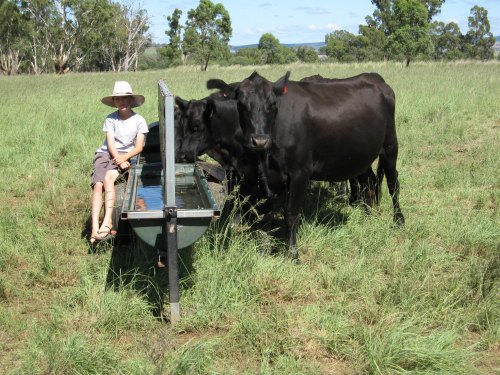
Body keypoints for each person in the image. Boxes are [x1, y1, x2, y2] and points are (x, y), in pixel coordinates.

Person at [90, 81, 149, 243]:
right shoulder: (111, 119)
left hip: (125, 153)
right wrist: (118, 158)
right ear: (114, 101)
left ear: (131, 100)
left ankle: (107, 221)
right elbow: (110, 143)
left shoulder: (139, 120)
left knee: (109, 178)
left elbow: (139, 147)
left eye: (125, 98)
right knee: (98, 185)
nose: (122, 102)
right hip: (106, 153)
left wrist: (124, 158)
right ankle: (94, 228)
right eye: (118, 99)